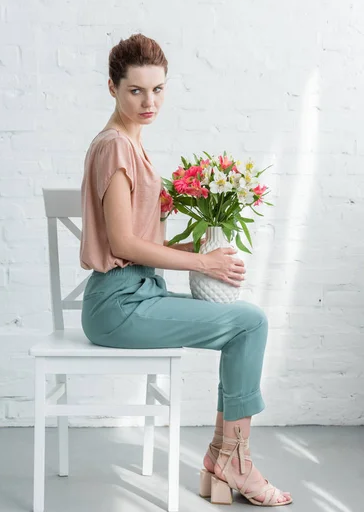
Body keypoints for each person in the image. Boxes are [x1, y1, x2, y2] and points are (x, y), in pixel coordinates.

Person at [79, 33, 293, 506]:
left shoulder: (132, 146)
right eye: (135, 90)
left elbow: (141, 242)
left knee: (245, 324)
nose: (148, 101)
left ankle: (225, 457)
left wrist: (197, 239)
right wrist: (203, 261)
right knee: (250, 322)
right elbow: (122, 243)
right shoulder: (115, 146)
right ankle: (233, 462)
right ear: (112, 88)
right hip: (118, 303)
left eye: (157, 89)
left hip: (137, 295)